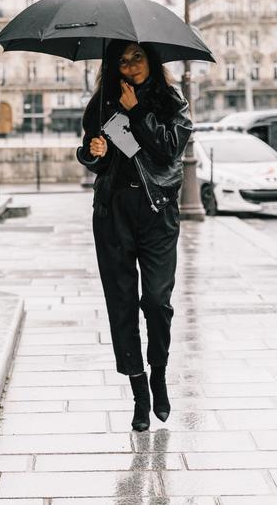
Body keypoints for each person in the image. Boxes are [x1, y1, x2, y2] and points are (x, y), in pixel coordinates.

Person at [76, 40, 192, 432]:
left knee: (157, 301)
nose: (130, 65)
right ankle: (140, 394)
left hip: (157, 213)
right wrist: (94, 151)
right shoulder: (101, 103)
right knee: (121, 305)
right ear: (113, 66)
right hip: (113, 214)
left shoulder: (171, 102)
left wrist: (137, 110)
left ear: (151, 60)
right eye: (122, 60)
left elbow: (167, 151)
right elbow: (97, 159)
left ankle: (158, 372)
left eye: (136, 57)